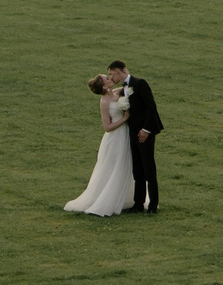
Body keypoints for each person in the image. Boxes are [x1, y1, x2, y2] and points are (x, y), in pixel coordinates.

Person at [63, 74, 135, 216]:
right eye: (107, 78)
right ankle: (106, 199)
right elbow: (107, 127)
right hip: (115, 138)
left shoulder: (117, 93)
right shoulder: (104, 102)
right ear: (104, 86)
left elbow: (129, 87)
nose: (110, 78)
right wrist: (125, 118)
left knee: (126, 164)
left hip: (125, 135)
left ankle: (126, 197)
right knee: (114, 167)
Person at [110, 59, 164, 213]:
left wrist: (146, 129)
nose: (111, 77)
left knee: (148, 168)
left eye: (111, 74)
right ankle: (138, 203)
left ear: (118, 71)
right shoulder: (124, 88)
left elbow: (151, 107)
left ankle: (153, 205)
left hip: (145, 132)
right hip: (133, 132)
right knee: (137, 169)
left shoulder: (140, 83)